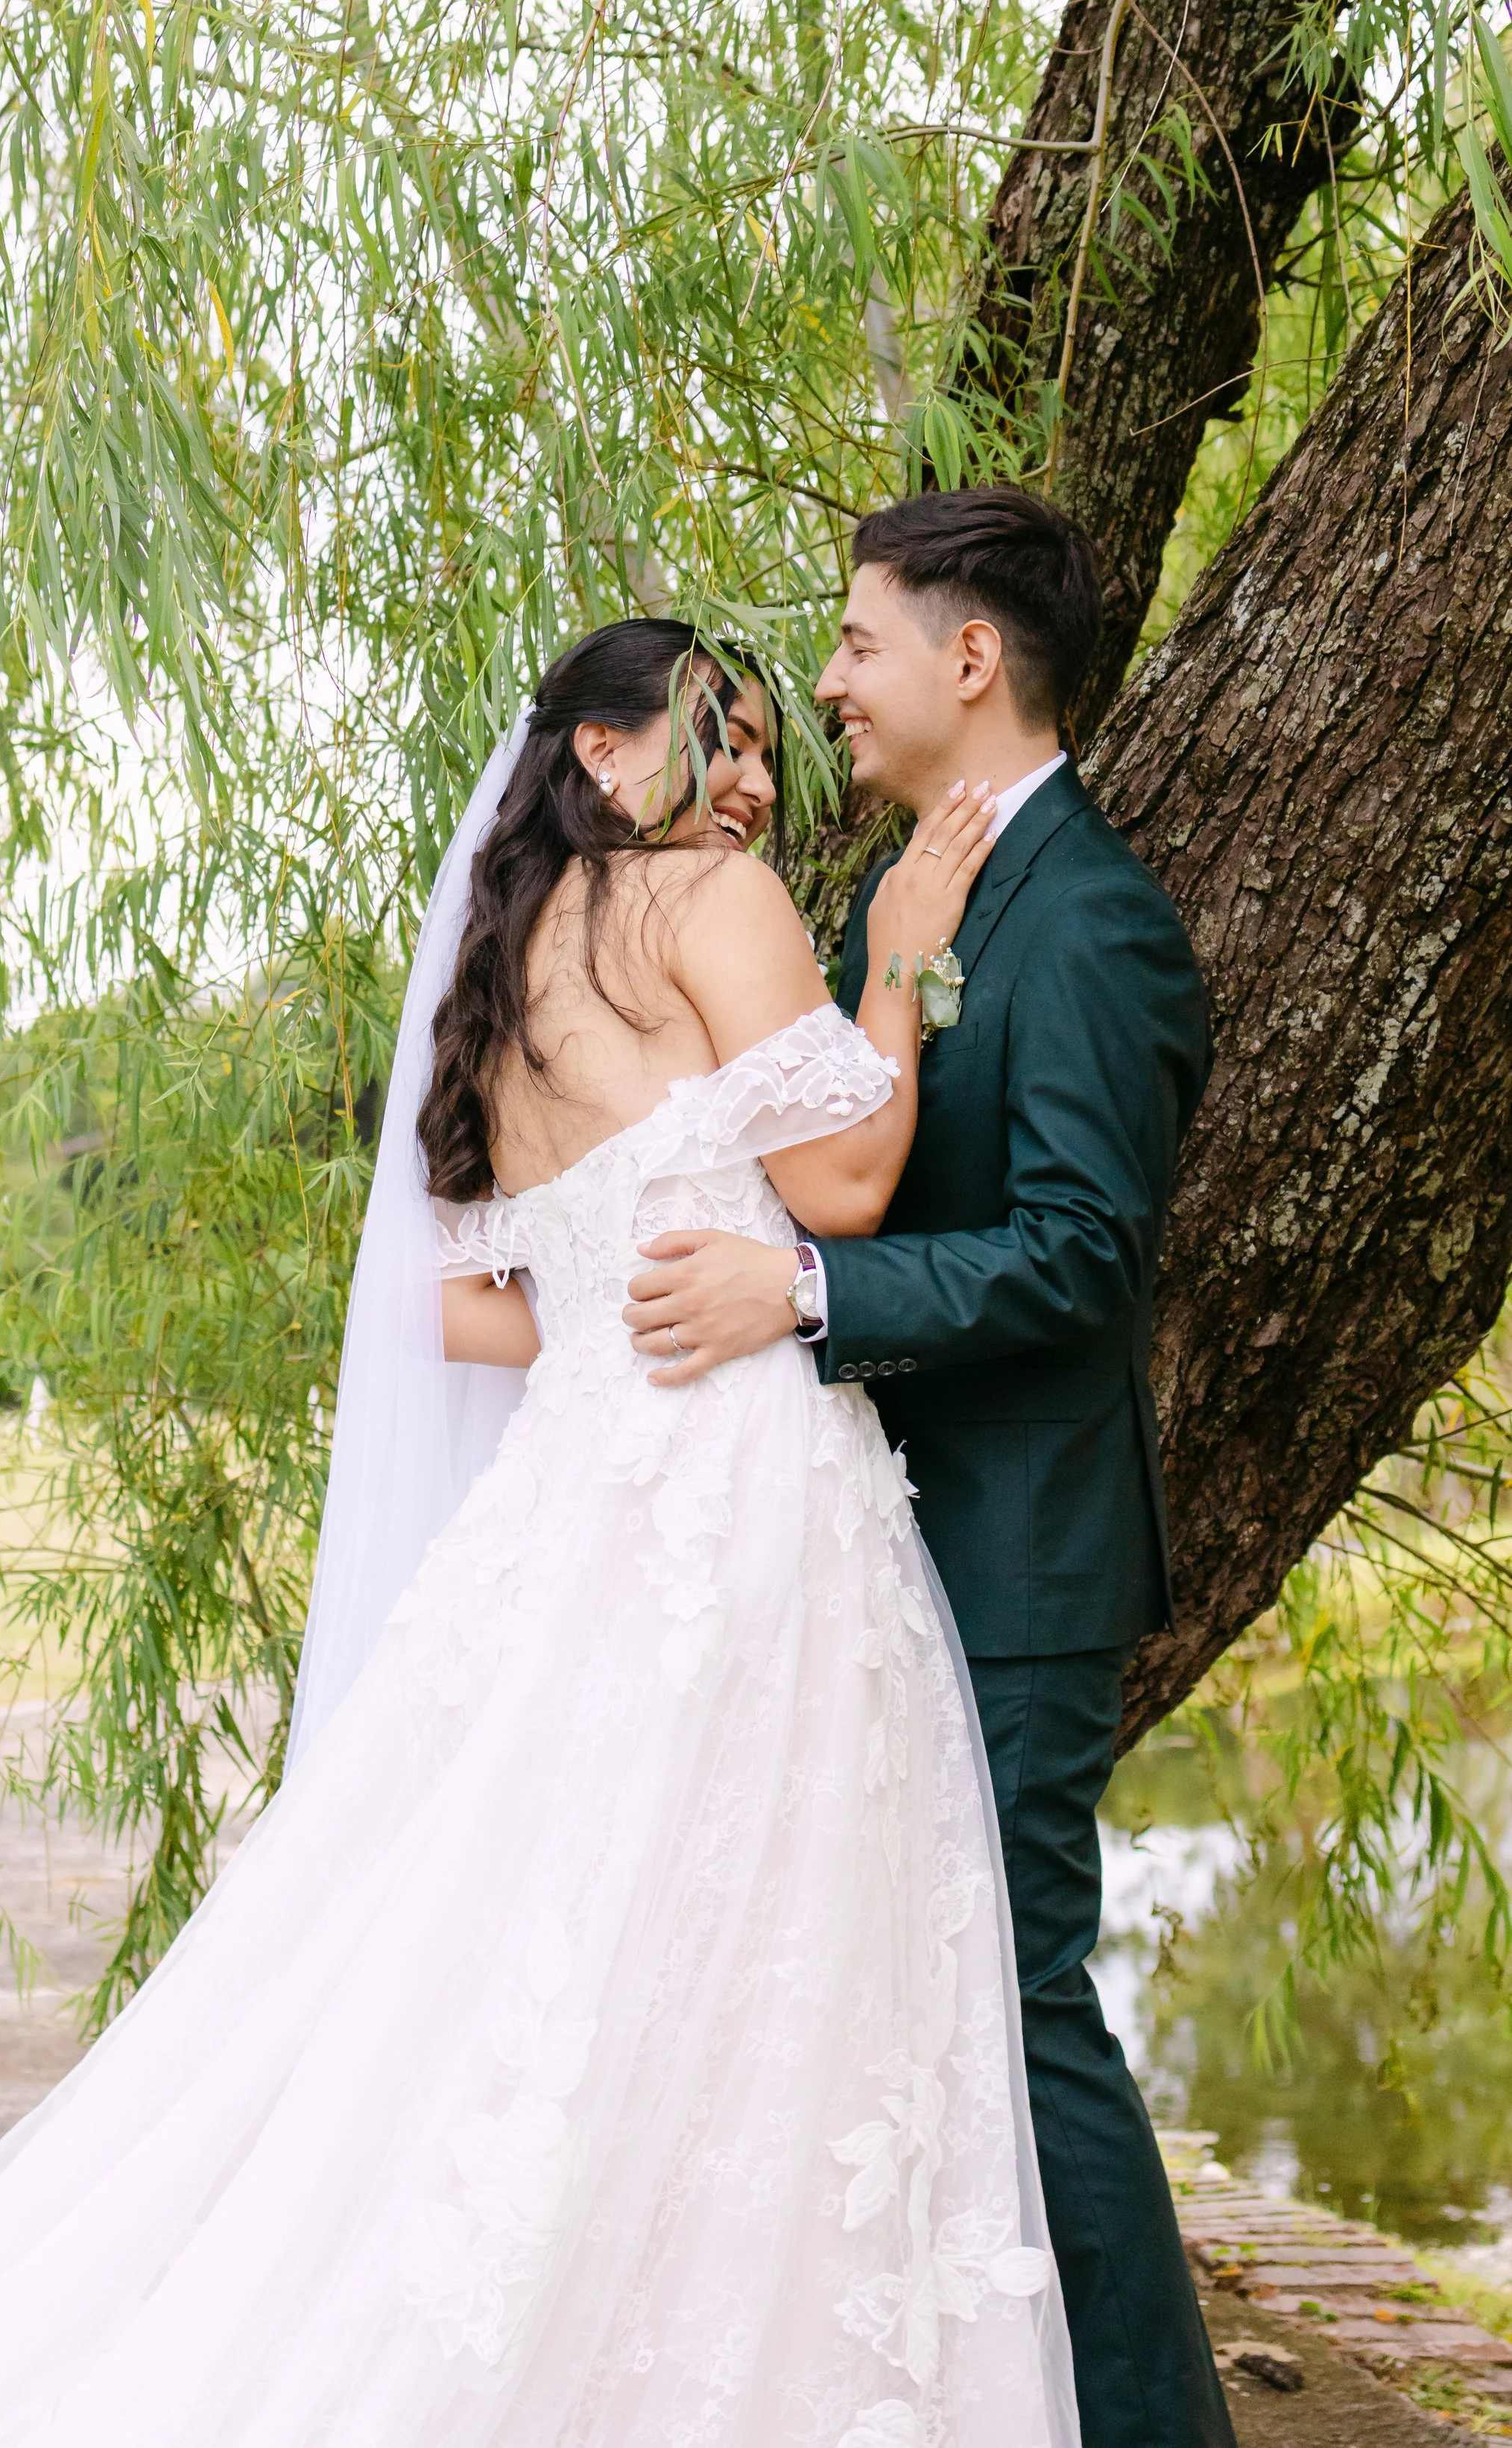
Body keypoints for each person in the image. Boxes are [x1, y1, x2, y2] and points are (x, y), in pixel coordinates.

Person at [0, 619, 1077, 2448]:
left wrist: (623, 1300)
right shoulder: (709, 907)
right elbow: (849, 1185)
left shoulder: (499, 986)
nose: (745, 786)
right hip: (737, 1496)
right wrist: (901, 961)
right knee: (745, 1939)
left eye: (757, 757)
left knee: (530, 1940)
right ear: (594, 752)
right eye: (714, 744)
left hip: (571, 1496)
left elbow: (455, 1306)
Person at [623, 489, 1232, 2448]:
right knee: (909, 2005)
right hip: (892, 1543)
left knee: (1022, 2001)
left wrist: (800, 1285)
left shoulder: (1090, 918)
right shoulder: (924, 893)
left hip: (1023, 1551)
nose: (822, 680)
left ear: (971, 658)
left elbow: (1074, 1252)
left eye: (857, 640)